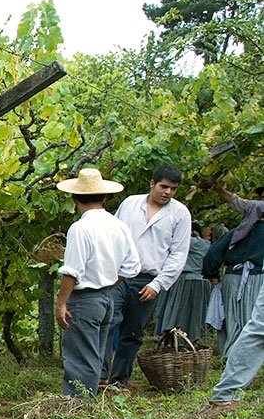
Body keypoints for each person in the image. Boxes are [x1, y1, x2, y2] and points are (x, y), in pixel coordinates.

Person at [53, 169, 142, 399]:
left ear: (75, 198)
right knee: (94, 355)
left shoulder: (80, 228)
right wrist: (108, 284)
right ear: (104, 197)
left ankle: (78, 406)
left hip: (84, 300)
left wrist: (61, 303)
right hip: (106, 298)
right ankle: (88, 404)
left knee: (80, 358)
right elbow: (132, 267)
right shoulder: (119, 225)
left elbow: (72, 271)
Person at [102, 165, 192, 391]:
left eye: (173, 189)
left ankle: (119, 380)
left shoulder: (180, 214)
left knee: (133, 332)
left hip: (149, 279)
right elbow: (114, 235)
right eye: (164, 186)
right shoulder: (130, 203)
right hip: (119, 275)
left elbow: (178, 253)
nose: (168, 192)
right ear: (152, 184)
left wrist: (158, 284)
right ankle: (101, 376)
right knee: (108, 321)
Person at [203, 181, 264, 353]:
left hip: (232, 279)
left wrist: (213, 275)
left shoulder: (237, 232)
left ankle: (229, 354)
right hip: (258, 280)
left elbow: (212, 255)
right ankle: (246, 357)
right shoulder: (241, 230)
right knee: (253, 321)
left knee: (232, 319)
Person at [153, 221, 213, 341]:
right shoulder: (207, 244)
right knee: (196, 313)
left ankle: (175, 337)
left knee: (178, 312)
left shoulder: (189, 242)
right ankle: (195, 338)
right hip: (201, 280)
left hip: (184, 280)